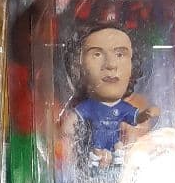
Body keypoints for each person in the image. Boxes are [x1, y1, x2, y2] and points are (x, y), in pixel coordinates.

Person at [63, 20, 159, 169]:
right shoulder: (88, 106)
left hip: (120, 151)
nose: (111, 64)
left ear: (132, 65)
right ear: (79, 65)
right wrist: (66, 132)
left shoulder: (127, 107)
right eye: (97, 54)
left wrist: (145, 116)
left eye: (120, 54)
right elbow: (70, 125)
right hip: (94, 146)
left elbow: (137, 120)